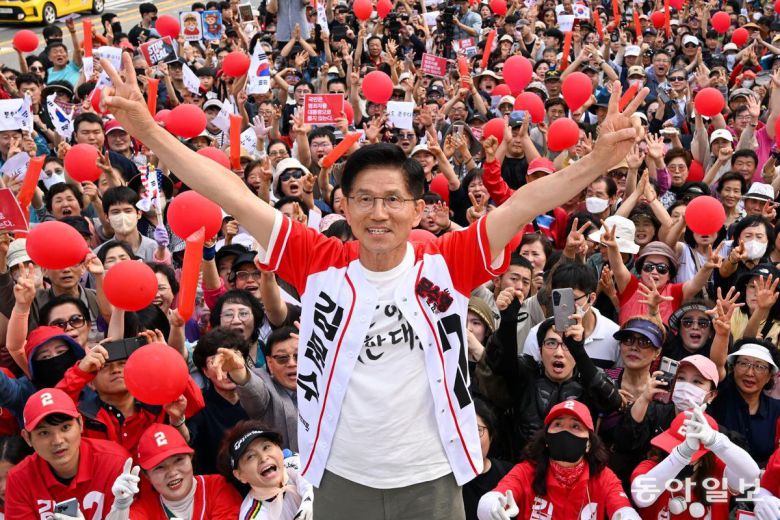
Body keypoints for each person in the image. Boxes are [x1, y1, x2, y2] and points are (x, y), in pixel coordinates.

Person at [98, 54, 648, 519]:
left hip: (429, 476)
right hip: (340, 473)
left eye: (393, 200)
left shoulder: (447, 261)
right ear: (344, 205)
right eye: (364, 198)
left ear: (418, 209)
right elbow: (233, 193)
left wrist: (597, 160)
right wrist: (148, 130)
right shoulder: (317, 259)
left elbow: (529, 200)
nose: (378, 212)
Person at [477, 400, 640, 520]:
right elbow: (496, 496)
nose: (565, 432)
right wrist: (489, 506)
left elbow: (622, 508)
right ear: (546, 438)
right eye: (558, 424)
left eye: (576, 426)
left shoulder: (603, 477)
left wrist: (627, 515)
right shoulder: (526, 471)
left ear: (589, 443)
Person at [5, 388, 129, 519]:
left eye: (65, 428)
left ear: (81, 424)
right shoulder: (19, 478)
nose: (57, 441)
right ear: (27, 438)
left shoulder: (115, 461)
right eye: (44, 433)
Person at [631, 404, 760, 520]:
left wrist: (716, 441)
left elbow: (751, 475)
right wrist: (682, 454)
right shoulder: (650, 467)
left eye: (691, 454)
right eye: (672, 448)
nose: (674, 453)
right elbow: (641, 497)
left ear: (704, 459)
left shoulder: (718, 472)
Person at [104, 423, 242, 519]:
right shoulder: (146, 506)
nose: (172, 472)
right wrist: (120, 509)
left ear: (191, 458)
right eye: (159, 467)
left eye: (178, 460)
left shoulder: (218, 486)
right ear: (146, 476)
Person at [218, 420, 313, 520]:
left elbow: (309, 482)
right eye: (250, 456)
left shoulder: (292, 462)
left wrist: (308, 501)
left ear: (279, 449)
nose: (263, 458)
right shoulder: (252, 515)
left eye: (266, 447)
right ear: (239, 475)